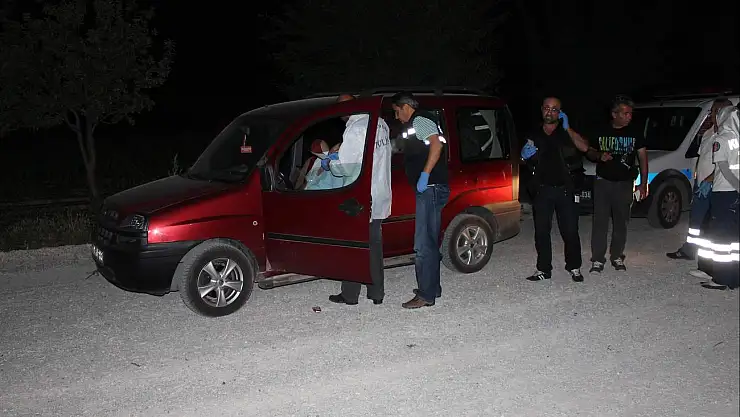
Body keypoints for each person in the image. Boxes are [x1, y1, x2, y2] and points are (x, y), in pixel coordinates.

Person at [327, 93, 393, 305]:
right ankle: (377, 293)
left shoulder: (354, 128)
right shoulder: (380, 123)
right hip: (380, 192)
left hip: (361, 196)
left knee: (352, 245)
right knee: (374, 247)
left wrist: (330, 162)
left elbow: (346, 167)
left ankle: (350, 295)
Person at [390, 92, 450, 309]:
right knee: (430, 241)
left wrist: (425, 174)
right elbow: (400, 147)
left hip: (430, 187)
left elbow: (436, 145)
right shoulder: (416, 125)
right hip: (432, 187)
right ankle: (433, 288)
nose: (396, 117)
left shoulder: (420, 120)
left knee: (423, 244)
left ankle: (425, 295)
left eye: (397, 111)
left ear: (405, 107)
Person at [520, 96, 590, 282]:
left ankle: (574, 267)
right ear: (541, 109)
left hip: (566, 189)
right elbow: (525, 159)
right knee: (541, 232)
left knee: (570, 231)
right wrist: (523, 156)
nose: (549, 112)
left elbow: (584, 147)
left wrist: (567, 128)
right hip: (542, 190)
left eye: (554, 109)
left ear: (560, 113)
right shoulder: (534, 133)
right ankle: (544, 269)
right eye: (546, 108)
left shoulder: (566, 132)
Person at [666, 98, 733, 268]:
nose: (712, 115)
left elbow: (727, 164)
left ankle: (709, 262)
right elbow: (701, 157)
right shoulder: (709, 133)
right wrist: (698, 179)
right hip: (702, 184)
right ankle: (690, 251)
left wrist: (709, 180)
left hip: (717, 186)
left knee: (713, 225)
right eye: (712, 111)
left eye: (715, 111)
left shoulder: (730, 135)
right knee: (696, 222)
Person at [585, 95, 648, 273]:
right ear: (614, 114)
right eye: (625, 113)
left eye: (630, 113)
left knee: (621, 222)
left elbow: (643, 157)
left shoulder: (635, 132)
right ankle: (598, 259)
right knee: (600, 222)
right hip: (603, 182)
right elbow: (589, 151)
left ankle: (617, 256)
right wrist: (599, 156)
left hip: (625, 183)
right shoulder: (600, 130)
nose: (629, 117)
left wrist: (643, 183)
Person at [697, 105, 739, 290]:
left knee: (721, 239)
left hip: (724, 192)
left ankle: (721, 279)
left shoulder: (721, 139)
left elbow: (723, 168)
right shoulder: (738, 139)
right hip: (735, 193)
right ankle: (734, 277)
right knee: (734, 238)